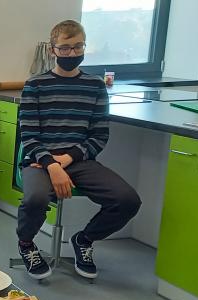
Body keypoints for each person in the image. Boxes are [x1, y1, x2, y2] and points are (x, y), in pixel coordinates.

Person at [16, 20, 141, 280]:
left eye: (78, 47)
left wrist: (67, 159)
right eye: (65, 48)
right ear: (52, 50)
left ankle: (84, 239)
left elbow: (99, 136)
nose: (72, 53)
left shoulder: (95, 86)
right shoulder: (35, 85)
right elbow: (28, 136)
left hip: (80, 161)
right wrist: (52, 165)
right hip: (39, 161)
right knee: (35, 199)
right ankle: (26, 244)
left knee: (127, 200)